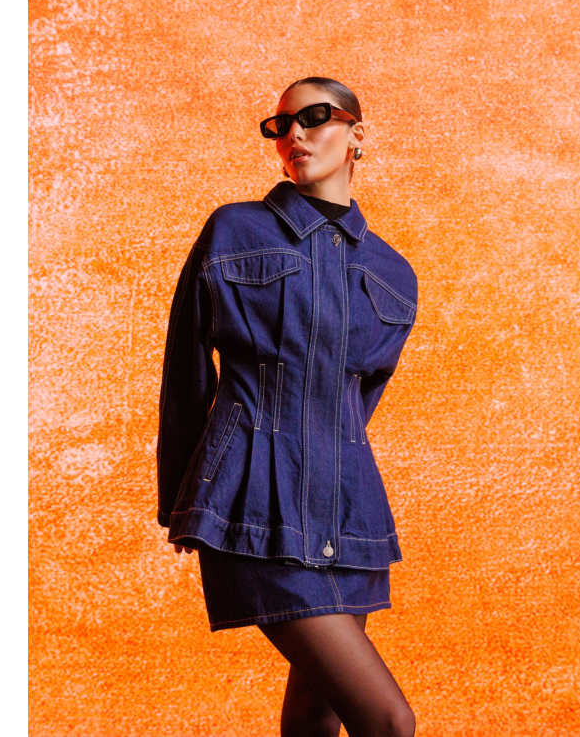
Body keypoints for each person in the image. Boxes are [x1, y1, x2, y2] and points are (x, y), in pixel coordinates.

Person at [157, 76, 418, 736]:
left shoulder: (394, 273)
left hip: (350, 515)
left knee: (312, 718)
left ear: (358, 133)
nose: (294, 134)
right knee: (388, 720)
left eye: (315, 117)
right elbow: (185, 370)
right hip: (251, 501)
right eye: (279, 126)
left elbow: (357, 407)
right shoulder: (235, 228)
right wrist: (183, 501)